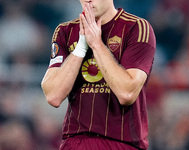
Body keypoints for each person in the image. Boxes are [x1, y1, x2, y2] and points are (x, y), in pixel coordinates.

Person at [41, 0, 156, 149]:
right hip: (75, 142)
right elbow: (53, 95)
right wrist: (81, 47)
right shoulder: (65, 31)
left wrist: (96, 44)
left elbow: (127, 93)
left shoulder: (137, 28)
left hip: (120, 143)